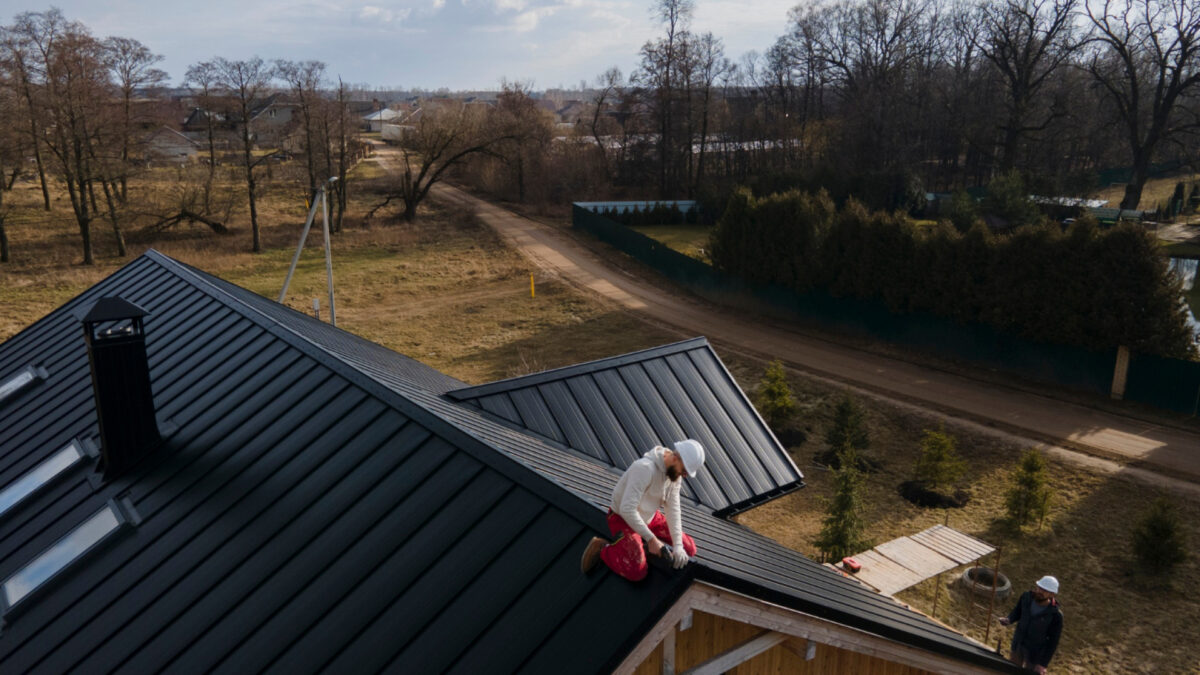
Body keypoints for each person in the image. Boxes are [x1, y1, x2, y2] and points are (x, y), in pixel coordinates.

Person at [580, 440, 705, 581]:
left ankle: (642, 543)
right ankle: (602, 548)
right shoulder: (645, 469)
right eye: (684, 470)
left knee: (690, 549)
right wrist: (652, 540)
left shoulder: (674, 476)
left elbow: (673, 509)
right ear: (676, 457)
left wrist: (678, 546)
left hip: (649, 517)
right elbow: (626, 509)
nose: (685, 475)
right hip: (623, 518)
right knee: (636, 571)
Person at [999, 575, 1064, 674]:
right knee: (1011, 671)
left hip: (1035, 654)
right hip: (1018, 645)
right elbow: (1018, 611)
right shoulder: (1026, 597)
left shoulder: (1056, 615)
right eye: (1039, 588)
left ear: (1052, 595)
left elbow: (1053, 642)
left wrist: (1043, 664)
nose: (1040, 592)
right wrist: (1009, 619)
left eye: (1044, 591)